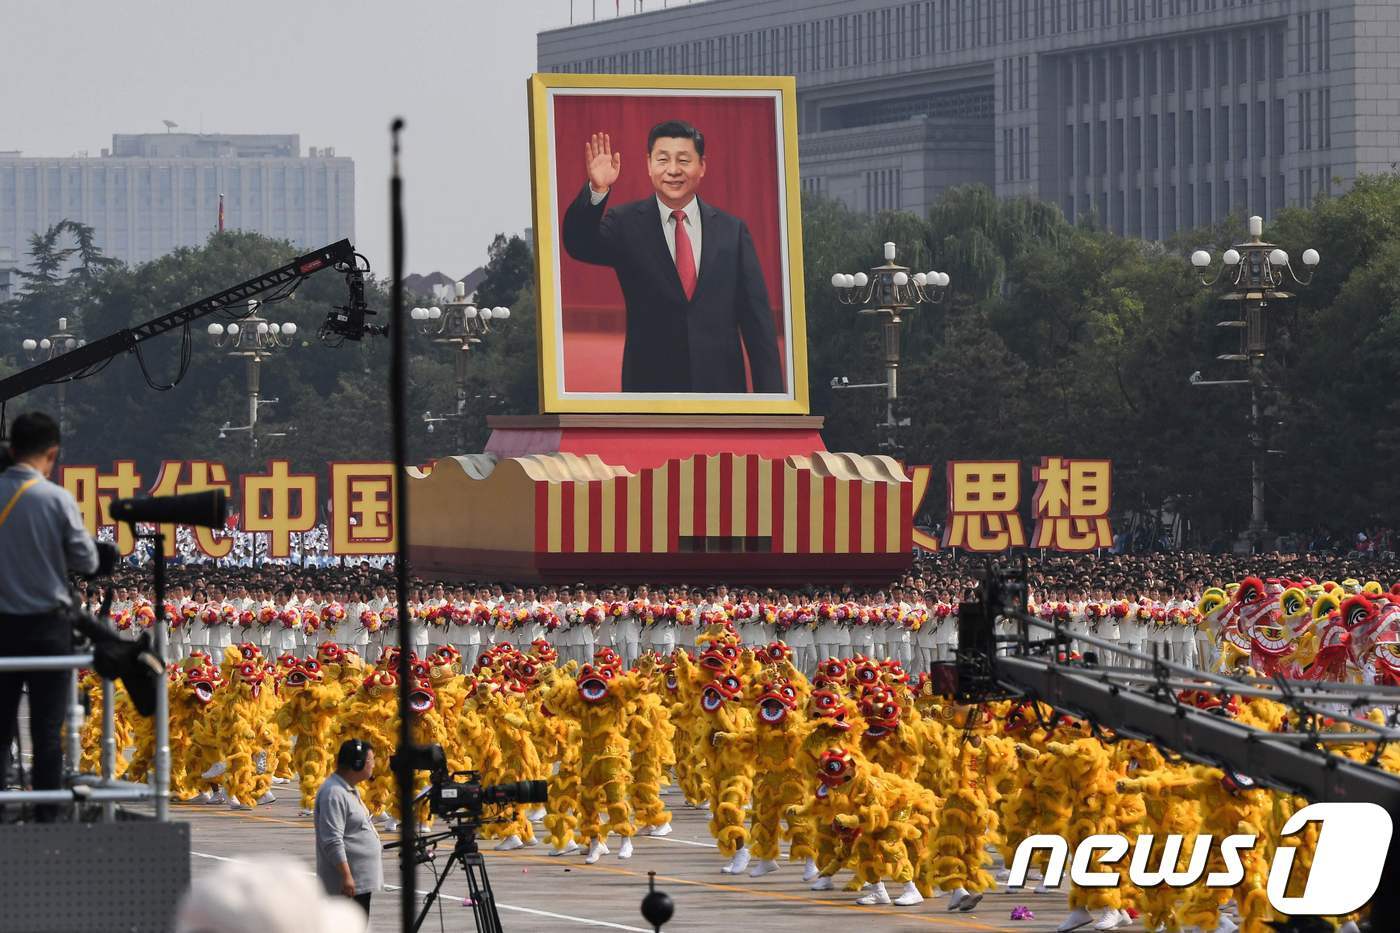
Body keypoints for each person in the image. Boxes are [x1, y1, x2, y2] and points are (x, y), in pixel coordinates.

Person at [562, 120, 784, 395]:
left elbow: (758, 324)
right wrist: (597, 190)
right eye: (663, 159)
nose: (673, 170)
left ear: (702, 166)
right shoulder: (626, 223)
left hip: (722, 394)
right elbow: (578, 244)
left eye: (684, 160)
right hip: (650, 392)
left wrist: (774, 407)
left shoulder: (732, 231)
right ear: (648, 165)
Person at [0, 412, 101, 821]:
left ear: (11, 448)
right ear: (52, 453)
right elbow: (87, 559)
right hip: (47, 629)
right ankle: (46, 820)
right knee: (46, 733)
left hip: (2, 629)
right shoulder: (55, 499)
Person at [314, 738, 383, 916]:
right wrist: (346, 876)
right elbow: (331, 840)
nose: (374, 765)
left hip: (359, 883)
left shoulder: (348, 789)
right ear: (358, 764)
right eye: (371, 760)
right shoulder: (334, 793)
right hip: (347, 886)